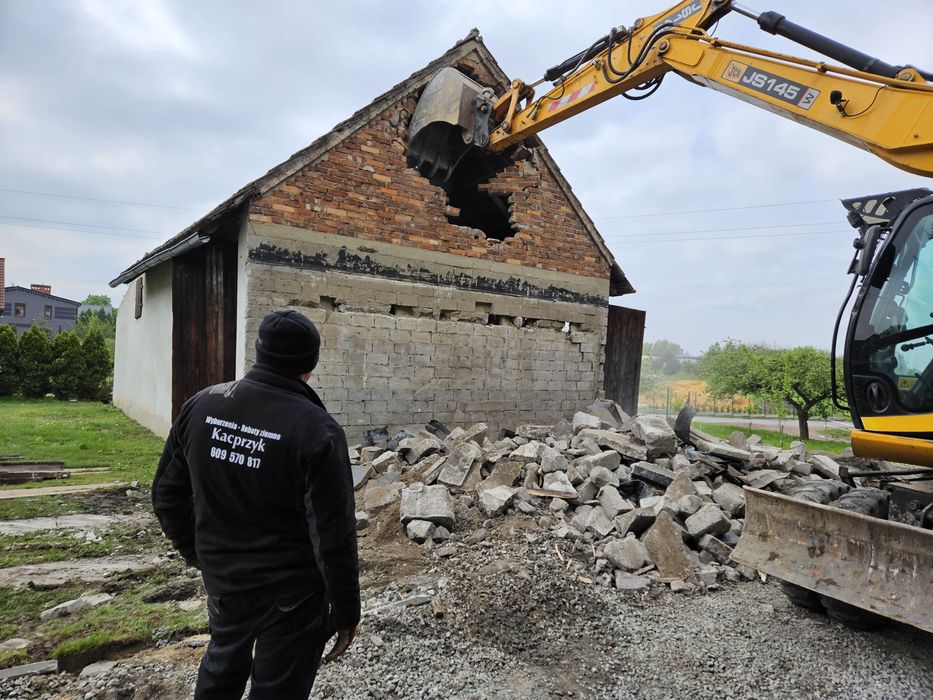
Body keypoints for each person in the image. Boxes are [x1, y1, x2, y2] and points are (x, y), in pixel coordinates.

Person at [152, 309, 360, 700]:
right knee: (277, 688)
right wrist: (347, 612)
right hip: (292, 598)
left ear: (259, 353)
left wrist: (201, 555)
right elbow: (333, 537)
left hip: (224, 582)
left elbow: (166, 496)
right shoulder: (318, 431)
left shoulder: (201, 406)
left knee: (220, 666)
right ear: (310, 365)